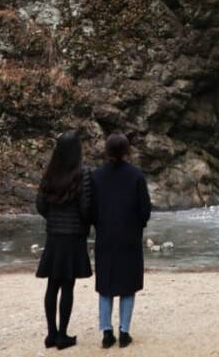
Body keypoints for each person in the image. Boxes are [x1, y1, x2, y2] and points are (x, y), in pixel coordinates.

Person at [92, 134, 152, 349]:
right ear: (127, 151)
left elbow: (90, 208)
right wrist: (138, 225)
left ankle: (106, 332)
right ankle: (124, 332)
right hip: (130, 236)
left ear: (107, 151)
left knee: (105, 285)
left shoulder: (96, 176)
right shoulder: (136, 175)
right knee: (128, 285)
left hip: (105, 235)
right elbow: (145, 209)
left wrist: (98, 224)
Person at [36, 130, 92, 350]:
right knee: (67, 286)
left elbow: (40, 205)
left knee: (52, 284)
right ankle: (62, 335)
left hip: (54, 236)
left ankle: (51, 334)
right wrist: (86, 224)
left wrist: (53, 218)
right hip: (74, 236)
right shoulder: (82, 173)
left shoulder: (49, 173)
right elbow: (86, 208)